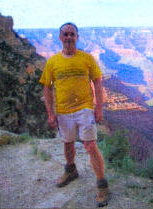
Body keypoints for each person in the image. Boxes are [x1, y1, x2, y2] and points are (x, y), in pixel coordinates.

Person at [39, 22, 109, 207]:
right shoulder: (53, 62)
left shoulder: (87, 58)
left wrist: (98, 108)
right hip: (63, 110)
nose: (69, 37)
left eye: (72, 34)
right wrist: (50, 113)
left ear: (77, 37)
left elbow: (98, 82)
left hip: (84, 108)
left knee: (90, 145)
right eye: (65, 34)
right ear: (60, 38)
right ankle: (71, 170)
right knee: (68, 143)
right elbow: (47, 87)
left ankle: (102, 185)